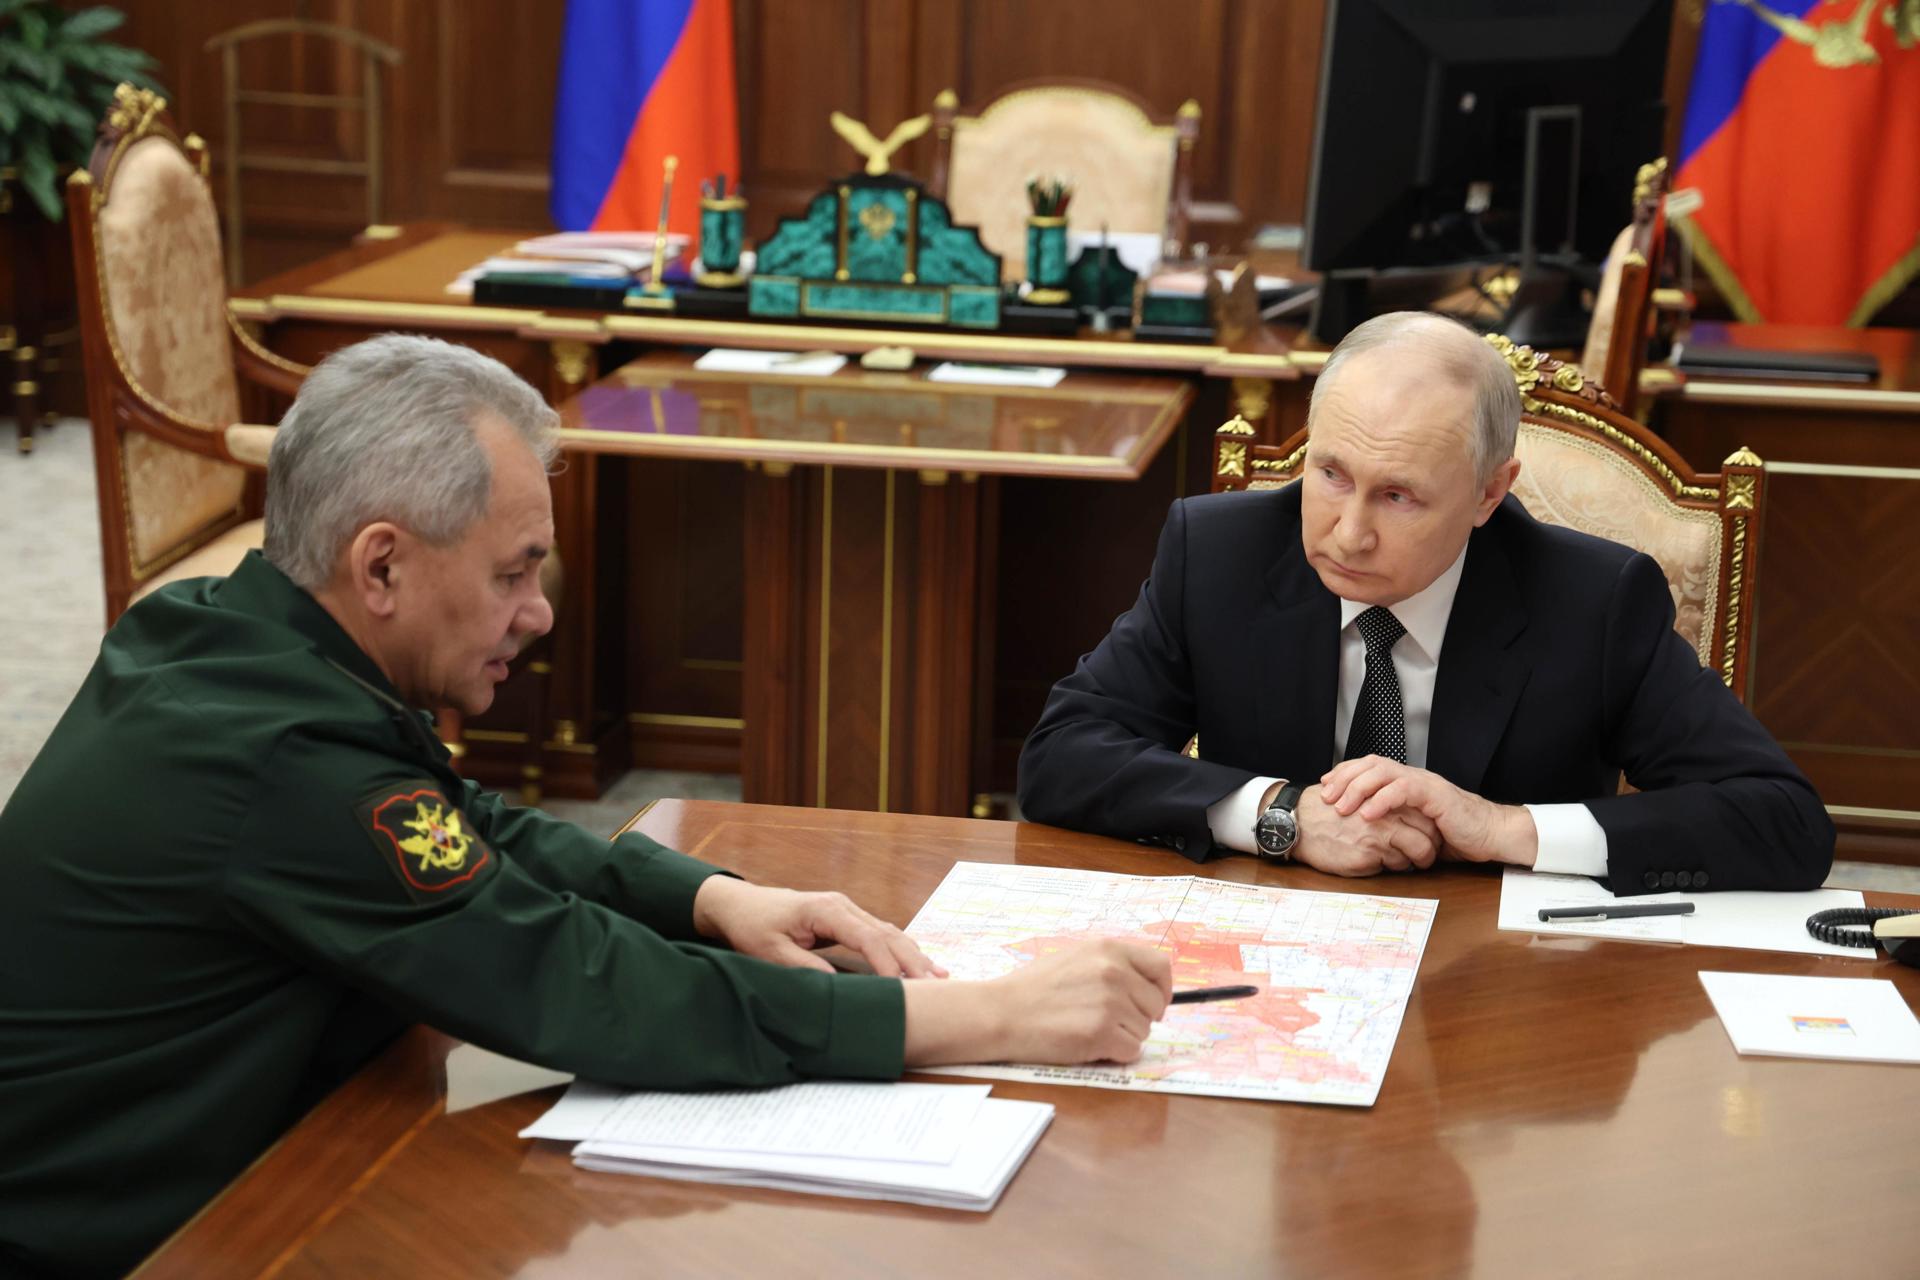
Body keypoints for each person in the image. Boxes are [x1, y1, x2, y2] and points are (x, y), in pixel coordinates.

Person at [0, 335, 1171, 1280]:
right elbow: (575, 984)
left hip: (247, 1144)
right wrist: (990, 1017)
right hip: (138, 1232)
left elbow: (458, 824)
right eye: (513, 571)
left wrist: (715, 896)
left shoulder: (223, 626)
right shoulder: (281, 755)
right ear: (382, 565)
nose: (540, 612)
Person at [1018, 311, 1833, 892]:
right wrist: (1283, 815)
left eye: (1400, 496)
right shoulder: (1218, 552)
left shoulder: (1594, 601)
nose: (1348, 533)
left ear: (1488, 493)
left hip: (1500, 1010)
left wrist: (1502, 828)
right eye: (1330, 474)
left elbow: (1783, 822)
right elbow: (1062, 756)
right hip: (1268, 968)